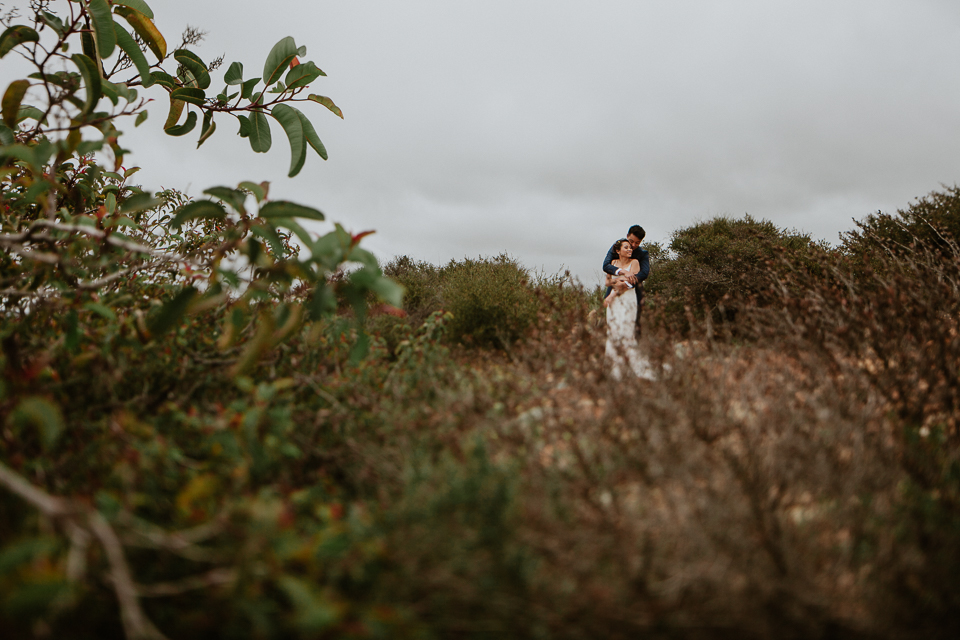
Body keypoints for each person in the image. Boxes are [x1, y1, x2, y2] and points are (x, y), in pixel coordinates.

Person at [602, 237, 654, 379]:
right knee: (613, 330)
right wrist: (618, 278)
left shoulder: (635, 262)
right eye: (626, 247)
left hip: (628, 298)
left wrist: (615, 290)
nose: (630, 249)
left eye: (630, 248)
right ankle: (613, 370)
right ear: (618, 251)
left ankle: (630, 369)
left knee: (626, 330)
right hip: (614, 301)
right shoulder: (613, 263)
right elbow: (608, 282)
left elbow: (632, 282)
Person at [602, 225, 650, 334]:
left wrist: (627, 284)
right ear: (627, 235)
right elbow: (606, 265)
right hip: (613, 294)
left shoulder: (642, 254)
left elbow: (644, 273)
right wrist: (622, 272)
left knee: (633, 328)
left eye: (637, 243)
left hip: (633, 293)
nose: (632, 246)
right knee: (612, 327)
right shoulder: (617, 247)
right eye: (631, 241)